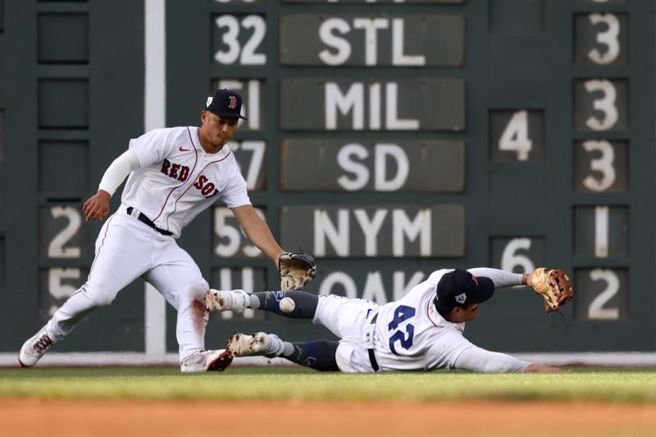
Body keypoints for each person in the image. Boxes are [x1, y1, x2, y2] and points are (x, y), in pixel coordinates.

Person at [19, 89, 284, 372]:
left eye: (232, 123)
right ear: (204, 116)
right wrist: (105, 192)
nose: (226, 128)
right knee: (99, 295)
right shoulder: (173, 138)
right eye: (220, 120)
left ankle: (193, 357)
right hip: (130, 227)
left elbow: (249, 219)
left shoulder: (228, 169)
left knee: (196, 291)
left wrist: (279, 257)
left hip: (165, 243)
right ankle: (49, 334)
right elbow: (127, 161)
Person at [205, 267, 564, 373]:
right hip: (370, 359)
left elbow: (475, 274)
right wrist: (542, 371)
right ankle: (274, 347)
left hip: (368, 318)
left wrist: (524, 279)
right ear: (457, 311)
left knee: (316, 305)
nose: (479, 304)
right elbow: (495, 364)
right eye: (474, 303)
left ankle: (238, 299)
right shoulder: (445, 343)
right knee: (333, 355)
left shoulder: (436, 283)